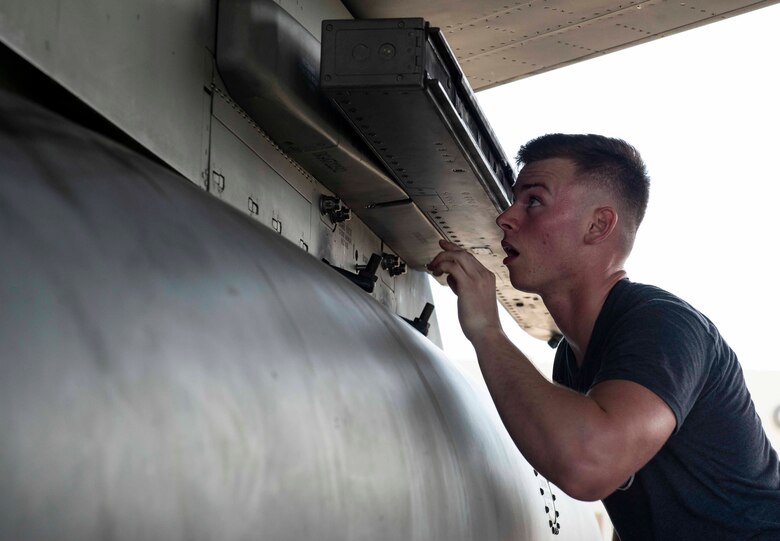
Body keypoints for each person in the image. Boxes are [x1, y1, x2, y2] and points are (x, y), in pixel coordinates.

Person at [427, 134, 780, 540]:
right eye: (513, 201)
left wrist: (487, 331)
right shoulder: (573, 359)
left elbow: (589, 465)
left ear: (598, 225)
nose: (505, 218)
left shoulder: (662, 325)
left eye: (534, 201)